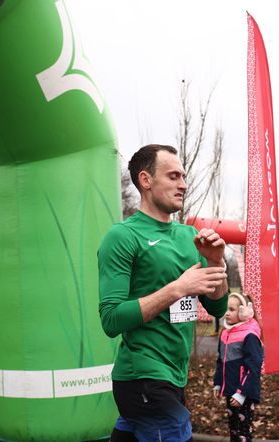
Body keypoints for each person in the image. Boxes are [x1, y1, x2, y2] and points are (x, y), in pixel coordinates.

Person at [98, 144, 228, 442]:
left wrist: (215, 261)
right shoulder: (123, 236)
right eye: (173, 176)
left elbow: (218, 307)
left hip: (174, 375)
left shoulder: (188, 237)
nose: (183, 184)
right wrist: (178, 288)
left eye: (183, 176)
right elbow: (111, 319)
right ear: (146, 180)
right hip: (143, 376)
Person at [213, 292, 263, 442]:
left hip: (244, 394)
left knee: (243, 434)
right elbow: (221, 360)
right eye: (226, 309)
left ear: (243, 312)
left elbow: (254, 366)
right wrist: (218, 383)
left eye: (232, 309)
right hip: (230, 390)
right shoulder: (225, 333)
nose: (227, 313)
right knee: (233, 431)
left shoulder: (249, 335)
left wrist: (242, 393)